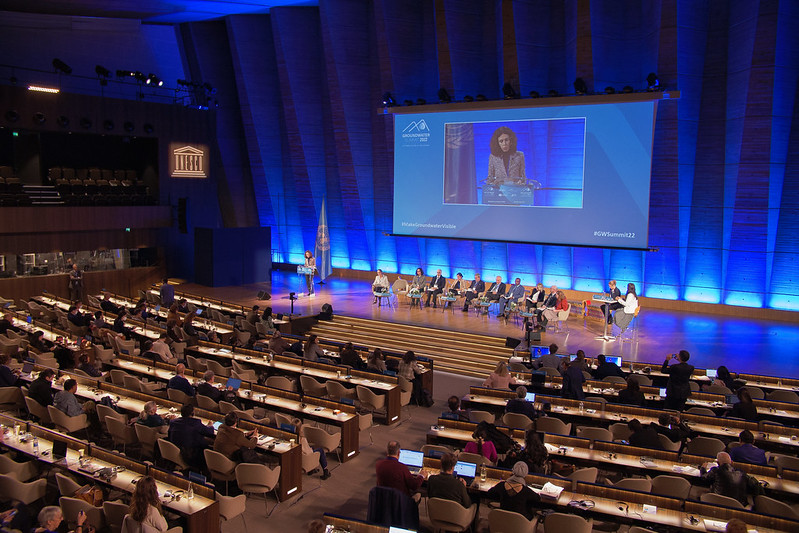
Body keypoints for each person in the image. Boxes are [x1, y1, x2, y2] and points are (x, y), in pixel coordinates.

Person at [167, 404, 215, 468]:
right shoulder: (196, 423)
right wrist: (210, 425)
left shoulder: (173, 422)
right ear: (192, 413)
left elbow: (169, 435)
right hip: (190, 455)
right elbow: (209, 432)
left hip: (175, 451)